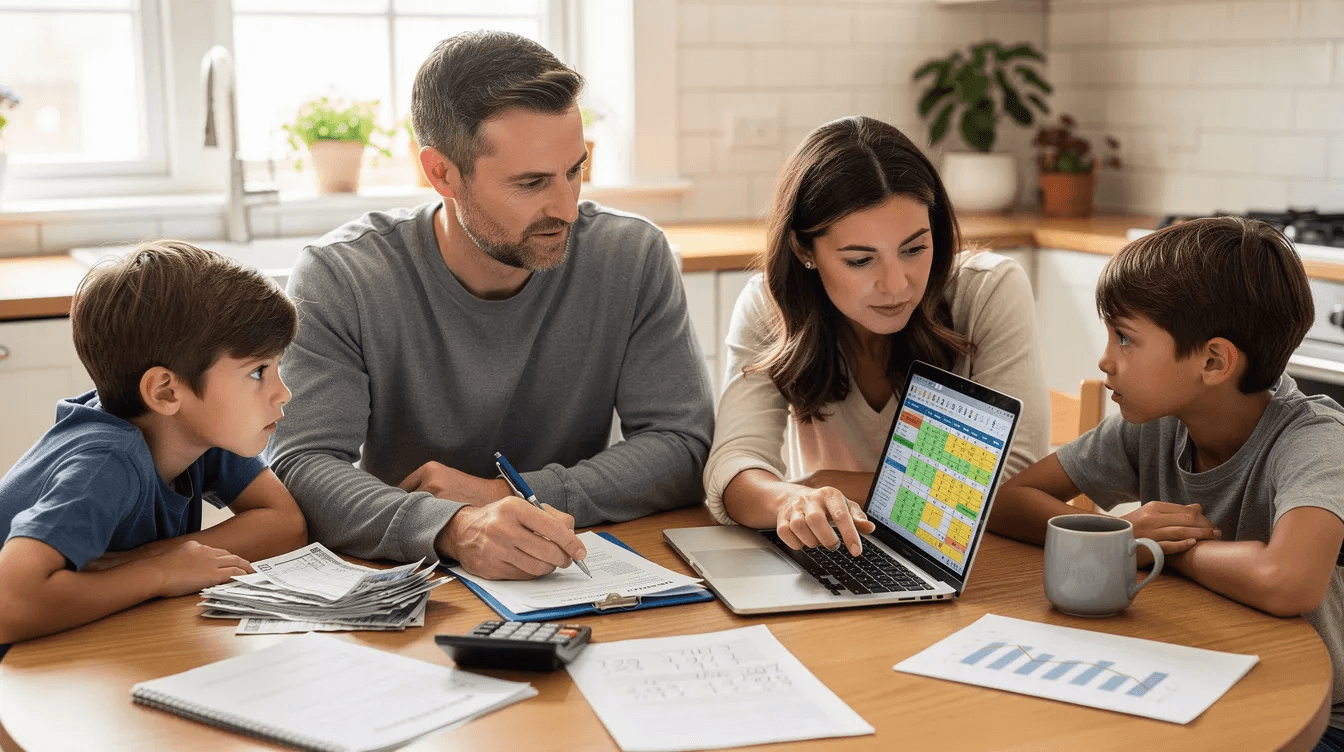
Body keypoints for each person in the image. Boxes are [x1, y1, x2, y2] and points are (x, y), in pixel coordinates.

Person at [268, 30, 713, 580]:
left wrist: (511, 493)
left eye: (575, 170)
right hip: (408, 580)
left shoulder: (633, 255)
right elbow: (299, 466)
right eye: (530, 183)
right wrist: (454, 527)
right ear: (441, 173)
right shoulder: (342, 276)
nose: (567, 208)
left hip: (570, 567)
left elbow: (684, 447)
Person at [985, 217, 1344, 749]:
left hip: (1312, 717)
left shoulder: (1314, 441)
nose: (1105, 359)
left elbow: (1287, 580)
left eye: (1126, 339)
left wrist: (1156, 550)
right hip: (1195, 674)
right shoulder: (1157, 422)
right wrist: (1119, 535)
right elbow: (1006, 500)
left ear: (1214, 360)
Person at [703, 116, 1049, 557]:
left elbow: (1013, 481)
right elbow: (733, 467)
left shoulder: (988, 290)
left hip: (975, 564)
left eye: (914, 249)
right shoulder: (769, 305)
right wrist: (790, 499)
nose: (896, 285)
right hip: (837, 553)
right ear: (804, 249)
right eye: (861, 260)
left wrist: (822, 484)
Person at [0, 240, 307, 648]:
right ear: (164, 391)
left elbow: (285, 524)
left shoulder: (196, 427)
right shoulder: (106, 461)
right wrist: (161, 573)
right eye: (258, 372)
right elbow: (9, 604)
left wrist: (149, 560)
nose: (282, 393)